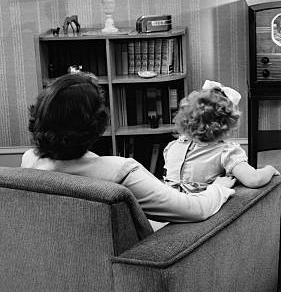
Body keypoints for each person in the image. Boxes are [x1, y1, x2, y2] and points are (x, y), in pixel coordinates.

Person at [21, 72, 235, 224]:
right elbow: (194, 210)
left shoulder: (29, 161)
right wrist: (219, 188)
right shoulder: (121, 172)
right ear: (98, 123)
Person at [163, 80, 280, 189]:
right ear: (228, 123)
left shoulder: (173, 146)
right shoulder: (226, 152)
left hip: (167, 202)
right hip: (197, 206)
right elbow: (254, 180)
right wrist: (270, 169)